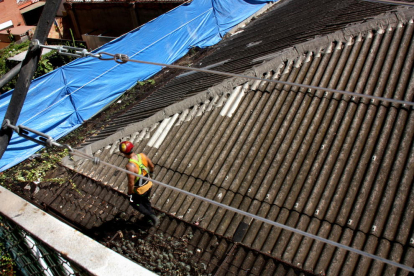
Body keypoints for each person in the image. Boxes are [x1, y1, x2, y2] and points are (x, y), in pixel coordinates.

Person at [119, 141, 159, 226]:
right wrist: (151, 174)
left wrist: (130, 193)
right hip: (149, 184)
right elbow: (151, 166)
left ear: (123, 153)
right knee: (146, 200)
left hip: (140, 190)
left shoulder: (130, 166)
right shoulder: (142, 155)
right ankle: (151, 214)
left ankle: (151, 216)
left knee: (133, 202)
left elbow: (131, 183)